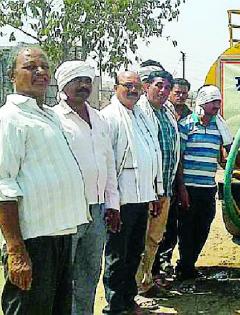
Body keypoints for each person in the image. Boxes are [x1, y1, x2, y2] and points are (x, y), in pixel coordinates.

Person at [0, 46, 89, 314]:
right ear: (11, 75)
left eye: (45, 66)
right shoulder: (9, 119)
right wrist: (16, 251)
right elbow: (3, 186)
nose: (40, 72)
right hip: (33, 241)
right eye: (30, 67)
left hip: (60, 235)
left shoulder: (48, 115)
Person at [176, 85, 240, 281]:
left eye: (218, 101)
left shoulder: (219, 126)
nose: (217, 105)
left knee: (203, 227)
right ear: (202, 103)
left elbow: (228, 155)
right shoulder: (186, 125)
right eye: (212, 102)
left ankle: (189, 264)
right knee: (186, 229)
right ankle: (185, 266)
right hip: (189, 188)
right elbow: (179, 159)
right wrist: (181, 188)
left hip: (208, 188)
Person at [52, 60, 121, 315]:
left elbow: (108, 163)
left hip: (98, 209)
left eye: (87, 81)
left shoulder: (99, 118)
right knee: (64, 274)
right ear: (63, 85)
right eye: (77, 80)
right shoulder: (54, 119)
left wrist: (112, 204)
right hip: (67, 210)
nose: (83, 85)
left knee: (90, 271)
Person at [101, 71, 163, 314]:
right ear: (116, 87)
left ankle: (128, 300)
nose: (134, 90)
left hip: (141, 198)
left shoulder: (143, 116)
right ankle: (115, 307)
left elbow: (153, 154)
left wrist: (155, 193)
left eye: (137, 86)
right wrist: (112, 205)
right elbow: (106, 165)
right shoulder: (108, 117)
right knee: (117, 257)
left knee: (134, 253)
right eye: (128, 85)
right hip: (120, 201)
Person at [135, 70, 180, 298]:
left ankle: (146, 282)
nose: (163, 91)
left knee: (154, 238)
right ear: (146, 86)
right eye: (158, 86)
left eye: (166, 87)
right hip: (146, 191)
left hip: (165, 189)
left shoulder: (166, 112)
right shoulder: (138, 112)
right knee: (140, 240)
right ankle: (134, 286)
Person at [152, 78, 192, 283]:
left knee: (173, 225)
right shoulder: (158, 111)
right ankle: (153, 268)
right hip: (159, 181)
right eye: (177, 92)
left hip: (177, 178)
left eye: (184, 93)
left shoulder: (189, 117)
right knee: (156, 226)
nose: (180, 95)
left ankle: (166, 259)